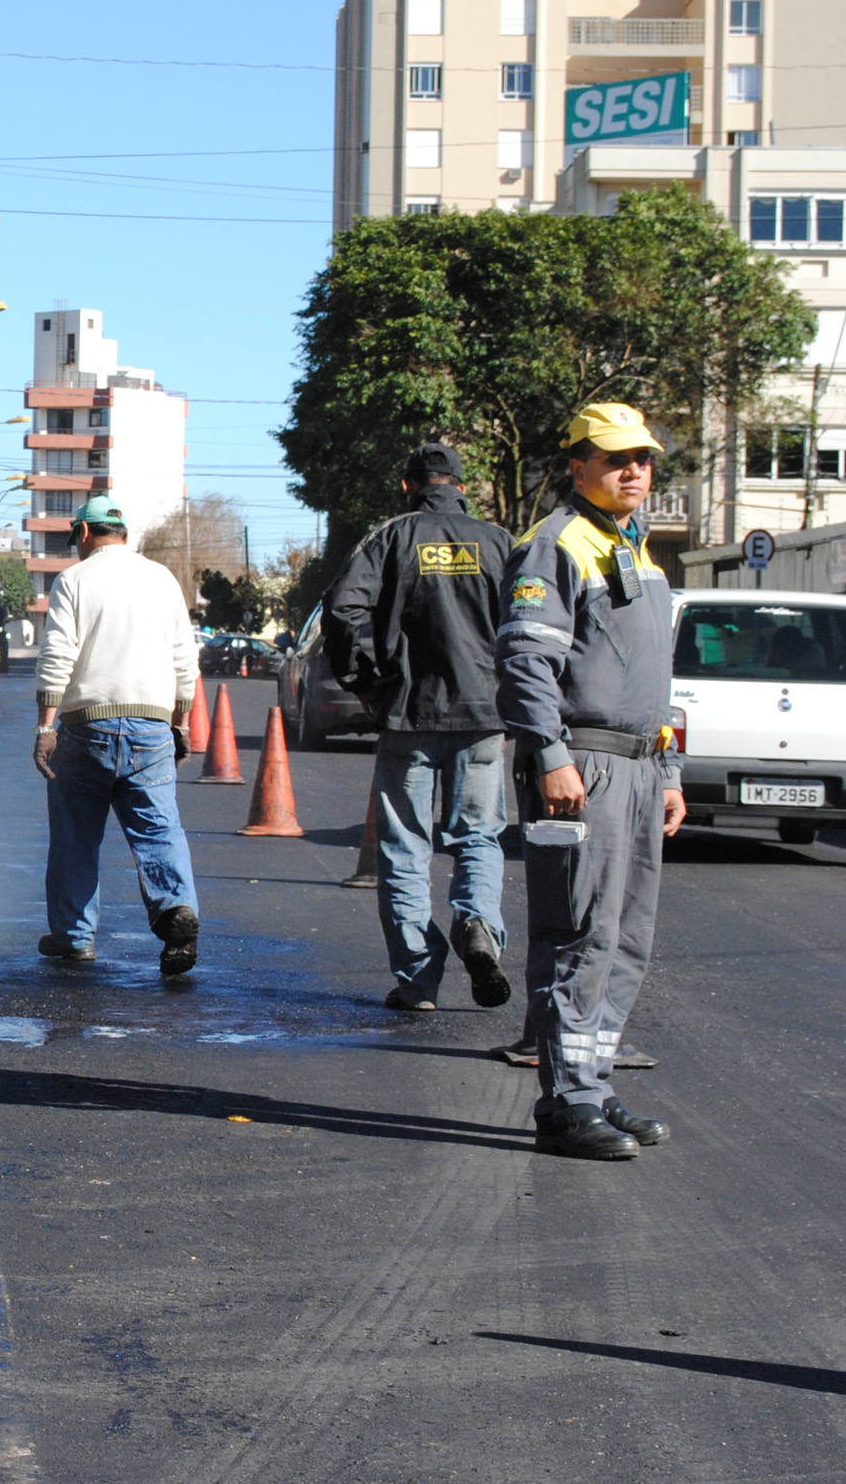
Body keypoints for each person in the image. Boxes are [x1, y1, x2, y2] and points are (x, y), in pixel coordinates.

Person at [497, 403, 684, 1162]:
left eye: (642, 458)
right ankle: (566, 1104)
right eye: (615, 459)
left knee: (625, 939)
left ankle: (593, 1083)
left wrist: (669, 769)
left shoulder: (637, 551)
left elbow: (657, 681)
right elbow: (525, 663)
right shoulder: (556, 544)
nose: (633, 470)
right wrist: (549, 755)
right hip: (585, 765)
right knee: (578, 934)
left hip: (638, 766)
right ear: (577, 466)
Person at [322, 442, 517, 1012]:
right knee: (478, 836)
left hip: (409, 714)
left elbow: (341, 608)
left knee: (405, 846)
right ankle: (478, 925)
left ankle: (418, 981)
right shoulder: (500, 542)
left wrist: (366, 680)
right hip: (484, 715)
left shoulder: (392, 537)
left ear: (409, 486)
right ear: (461, 486)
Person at [32, 495, 202, 976]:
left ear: (84, 534)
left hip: (87, 728)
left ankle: (74, 937)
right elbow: (184, 661)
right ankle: (176, 915)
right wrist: (181, 722)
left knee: (75, 836)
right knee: (158, 829)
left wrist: (45, 727)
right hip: (152, 727)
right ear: (123, 533)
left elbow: (58, 656)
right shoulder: (161, 579)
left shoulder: (74, 581)